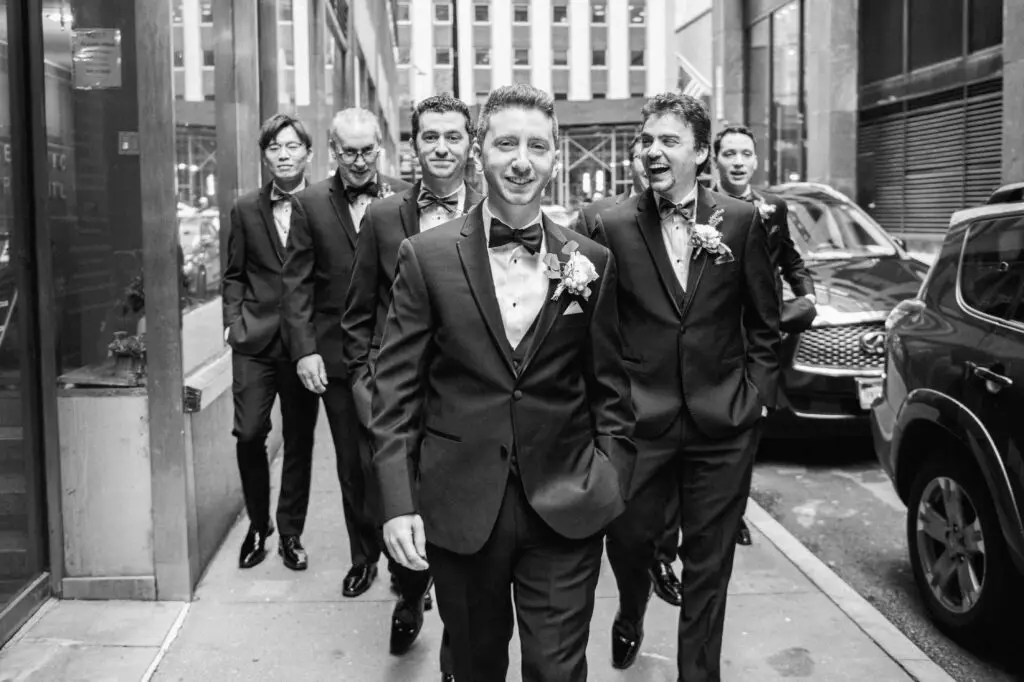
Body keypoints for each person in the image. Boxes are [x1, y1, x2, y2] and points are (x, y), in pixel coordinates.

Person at [370, 84, 635, 681]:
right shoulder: (425, 256)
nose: (521, 159)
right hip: (461, 507)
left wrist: (611, 478)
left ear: (554, 158)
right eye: (506, 143)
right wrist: (396, 502)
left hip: (566, 503)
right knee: (473, 665)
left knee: (558, 670)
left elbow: (611, 389)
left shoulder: (590, 260)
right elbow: (396, 395)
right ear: (479, 153)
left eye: (537, 146)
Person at [592, 92, 781, 679]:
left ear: (701, 153)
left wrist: (755, 399)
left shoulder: (743, 221)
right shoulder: (608, 223)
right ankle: (630, 610)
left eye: (668, 141)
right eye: (646, 140)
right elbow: (595, 332)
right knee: (626, 542)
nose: (653, 150)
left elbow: (765, 324)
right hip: (639, 426)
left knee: (710, 564)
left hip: (722, 425)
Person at [341, 93, 481, 680]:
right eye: (430, 137)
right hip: (397, 403)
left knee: (461, 524)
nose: (442, 148)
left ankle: (456, 645)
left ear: (469, 143)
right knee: (402, 511)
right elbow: (356, 319)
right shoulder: (381, 217)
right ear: (413, 145)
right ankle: (407, 593)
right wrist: (366, 391)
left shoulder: (495, 211)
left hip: (470, 404)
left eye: (453, 136)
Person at [281, 108, 411, 594]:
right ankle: (364, 556)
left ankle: (414, 562)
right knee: (353, 463)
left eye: (367, 150)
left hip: (400, 352)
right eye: (349, 152)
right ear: (333, 152)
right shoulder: (310, 203)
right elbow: (294, 285)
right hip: (337, 359)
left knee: (404, 456)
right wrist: (304, 350)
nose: (359, 161)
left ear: (381, 147)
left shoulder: (404, 196)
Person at [222, 113, 320, 571]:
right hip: (254, 341)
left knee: (299, 440)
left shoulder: (322, 205)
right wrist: (231, 323)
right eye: (274, 148)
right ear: (264, 156)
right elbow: (234, 274)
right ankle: (258, 525)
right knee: (248, 434)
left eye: (291, 146)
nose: (283, 154)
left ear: (308, 153)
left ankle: (291, 533)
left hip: (304, 346)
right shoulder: (244, 209)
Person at [712, 124, 816, 546]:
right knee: (718, 428)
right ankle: (707, 506)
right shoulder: (703, 208)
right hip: (718, 336)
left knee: (751, 428)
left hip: (762, 337)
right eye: (729, 153)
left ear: (756, 161)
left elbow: (790, 258)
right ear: (714, 160)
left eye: (745, 154)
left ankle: (734, 511)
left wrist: (807, 296)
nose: (738, 161)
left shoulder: (773, 208)